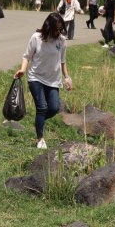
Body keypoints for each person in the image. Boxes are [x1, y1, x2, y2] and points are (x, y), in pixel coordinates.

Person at [14, 12, 72, 149]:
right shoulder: (36, 38)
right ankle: (40, 139)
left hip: (53, 80)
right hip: (36, 78)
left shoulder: (62, 41)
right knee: (42, 107)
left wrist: (67, 77)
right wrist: (22, 69)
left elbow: (62, 61)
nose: (59, 32)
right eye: (56, 29)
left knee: (54, 108)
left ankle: (39, 121)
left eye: (60, 29)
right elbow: (26, 56)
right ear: (48, 27)